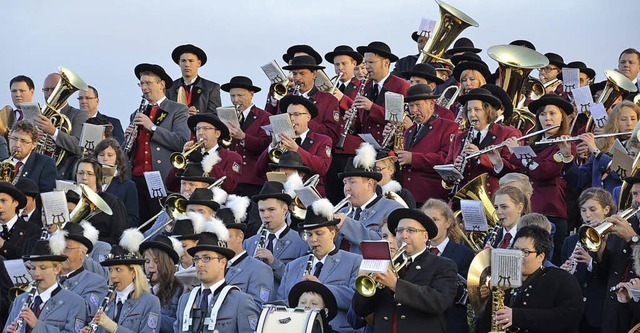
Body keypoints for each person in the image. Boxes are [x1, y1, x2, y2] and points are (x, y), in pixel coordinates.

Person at [352, 208, 458, 333]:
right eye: (399, 231)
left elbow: (439, 302)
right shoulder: (387, 264)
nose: (404, 235)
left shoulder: (443, 265)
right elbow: (360, 310)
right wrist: (366, 280)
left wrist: (395, 285)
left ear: (425, 236)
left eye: (411, 231)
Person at [504, 94, 576, 264]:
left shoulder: (566, 144)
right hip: (530, 210)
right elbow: (521, 173)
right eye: (543, 114)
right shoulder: (534, 142)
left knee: (547, 262)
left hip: (551, 212)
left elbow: (543, 171)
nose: (547, 119)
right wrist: (498, 161)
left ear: (562, 117)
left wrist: (517, 153)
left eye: (553, 114)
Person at [277, 199, 363, 333]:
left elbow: (356, 301)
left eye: (319, 233)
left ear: (332, 234)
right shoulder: (293, 266)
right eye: (309, 234)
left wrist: (322, 288)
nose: (313, 240)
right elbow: (282, 302)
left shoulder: (355, 261)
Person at [127, 63, 190, 223]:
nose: (144, 87)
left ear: (161, 84)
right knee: (138, 223)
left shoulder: (178, 109)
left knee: (159, 222)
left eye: (148, 83)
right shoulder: (137, 113)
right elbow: (128, 151)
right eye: (141, 83)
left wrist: (152, 127)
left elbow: (182, 142)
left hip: (160, 177)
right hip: (136, 177)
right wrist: (129, 139)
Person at [490, 225, 584, 333]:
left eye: (525, 252)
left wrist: (517, 316)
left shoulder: (562, 280)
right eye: (515, 250)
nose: (517, 256)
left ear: (541, 256)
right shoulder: (504, 280)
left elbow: (568, 317)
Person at [174, 228, 261, 333]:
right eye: (197, 258)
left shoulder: (240, 301)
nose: (200, 264)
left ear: (222, 262)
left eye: (207, 258)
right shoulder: (185, 300)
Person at [445, 88, 521, 197]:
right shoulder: (459, 137)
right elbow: (448, 170)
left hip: (492, 198)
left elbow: (514, 170)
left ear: (488, 111)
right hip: (462, 197)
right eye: (469, 110)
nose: (472, 115)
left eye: (477, 110)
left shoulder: (507, 133)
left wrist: (480, 157)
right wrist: (454, 169)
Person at [389, 84, 458, 205]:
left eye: (418, 105)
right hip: (407, 196)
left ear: (431, 104)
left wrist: (413, 158)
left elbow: (447, 159)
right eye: (411, 106)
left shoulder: (448, 126)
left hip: (430, 197)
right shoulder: (409, 130)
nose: (414, 110)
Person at [82, 229, 162, 333]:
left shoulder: (150, 302)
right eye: (110, 270)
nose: (113, 276)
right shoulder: (105, 301)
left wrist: (114, 328)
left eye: (118, 270)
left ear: (133, 272)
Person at [3, 237, 87, 333]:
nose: (36, 274)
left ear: (57, 269)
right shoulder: (20, 300)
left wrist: (38, 326)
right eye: (33, 268)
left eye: (43, 268)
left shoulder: (75, 302)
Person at [335, 142, 404, 254]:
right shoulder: (342, 212)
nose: (346, 188)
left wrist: (347, 225)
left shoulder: (393, 209)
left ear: (370, 184)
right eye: (344, 182)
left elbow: (386, 244)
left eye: (352, 182)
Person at [257, 95, 333, 195]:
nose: (292, 118)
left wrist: (296, 149)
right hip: (281, 195)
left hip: (309, 195)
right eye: (289, 115)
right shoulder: (281, 140)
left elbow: (322, 168)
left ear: (308, 117)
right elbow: (259, 171)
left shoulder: (322, 140)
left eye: (296, 114)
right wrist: (272, 146)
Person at [559, 188, 611, 333]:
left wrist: (590, 263)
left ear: (606, 209)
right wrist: (563, 273)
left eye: (592, 209)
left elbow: (612, 276)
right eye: (583, 210)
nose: (587, 215)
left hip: (598, 312)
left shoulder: (614, 240)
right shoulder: (571, 241)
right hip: (574, 313)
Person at [561, 100, 640, 193]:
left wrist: (596, 151)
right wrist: (567, 157)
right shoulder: (602, 145)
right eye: (623, 119)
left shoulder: (636, 148)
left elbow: (626, 173)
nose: (629, 123)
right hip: (599, 203)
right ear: (615, 122)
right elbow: (580, 179)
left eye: (633, 119)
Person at [244, 181, 308, 293]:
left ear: (285, 210)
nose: (265, 215)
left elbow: (298, 280)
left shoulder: (301, 243)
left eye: (271, 210)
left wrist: (274, 262)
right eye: (261, 211)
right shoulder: (248, 243)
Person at [422, 198, 474, 333]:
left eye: (435, 219)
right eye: (426, 219)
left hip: (450, 323)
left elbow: (466, 296)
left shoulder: (464, 254)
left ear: (448, 223)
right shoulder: (416, 250)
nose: (429, 224)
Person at [343, 42, 409, 143]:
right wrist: (353, 123)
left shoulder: (400, 85)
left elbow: (397, 121)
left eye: (371, 62)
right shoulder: (364, 85)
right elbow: (362, 123)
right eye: (365, 63)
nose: (367, 67)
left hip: (387, 148)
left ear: (386, 63)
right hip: (365, 147)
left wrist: (371, 107)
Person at [326, 45, 365, 204]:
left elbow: (361, 115)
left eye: (344, 64)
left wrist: (341, 98)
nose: (339, 68)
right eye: (336, 65)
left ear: (354, 64)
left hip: (351, 147)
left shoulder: (362, 85)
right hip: (332, 147)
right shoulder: (330, 86)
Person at [165, 113, 242, 194]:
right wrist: (183, 160)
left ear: (217, 134)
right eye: (198, 129)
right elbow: (171, 185)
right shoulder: (191, 155)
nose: (200, 132)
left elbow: (230, 186)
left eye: (206, 128)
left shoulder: (232, 157)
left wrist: (204, 160)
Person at [220, 76, 271, 197]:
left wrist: (243, 137)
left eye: (240, 95)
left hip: (253, 179)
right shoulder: (225, 116)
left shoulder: (265, 117)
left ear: (251, 94)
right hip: (230, 178)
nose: (235, 100)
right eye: (232, 96)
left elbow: (265, 146)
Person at [36, 72, 90, 179]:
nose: (49, 94)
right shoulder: (38, 115)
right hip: (37, 171)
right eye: (46, 90)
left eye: (54, 89)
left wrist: (53, 132)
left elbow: (79, 147)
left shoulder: (78, 115)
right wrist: (33, 137)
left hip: (62, 173)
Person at [218, 205, 274, 306]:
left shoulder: (259, 269)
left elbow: (257, 307)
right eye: (217, 236)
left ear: (240, 236)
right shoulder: (214, 266)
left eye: (226, 236)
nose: (221, 241)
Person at [55, 221, 108, 316]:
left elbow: (88, 312)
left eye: (67, 248)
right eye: (59, 247)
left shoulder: (96, 282)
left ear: (82, 254)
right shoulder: (48, 277)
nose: (61, 252)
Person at [74, 157, 127, 245]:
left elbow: (118, 236)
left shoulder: (112, 202)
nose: (84, 178)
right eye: (80, 173)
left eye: (90, 174)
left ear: (97, 178)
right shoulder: (68, 198)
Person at [139, 234, 184, 333]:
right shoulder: (138, 288)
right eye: (147, 261)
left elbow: (178, 325)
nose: (150, 266)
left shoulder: (178, 289)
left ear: (166, 263)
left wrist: (149, 315)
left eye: (156, 261)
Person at [93, 138, 139, 228]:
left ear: (117, 159)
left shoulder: (128, 186)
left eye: (110, 155)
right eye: (101, 155)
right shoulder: (89, 180)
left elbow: (133, 220)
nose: (105, 159)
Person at [167, 44, 221, 115]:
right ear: (179, 63)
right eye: (183, 61)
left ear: (199, 63)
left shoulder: (211, 88)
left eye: (191, 61)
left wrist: (197, 115)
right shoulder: (170, 88)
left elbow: (215, 114)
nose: (187, 64)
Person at [9, 120, 57, 193]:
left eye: (23, 141)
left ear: (34, 144)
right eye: (14, 139)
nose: (17, 145)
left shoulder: (46, 164)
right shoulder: (2, 162)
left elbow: (46, 196)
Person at [0, 181, 40, 259]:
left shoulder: (32, 230)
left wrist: (4, 246)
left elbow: (30, 257)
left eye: (3, 201)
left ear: (15, 203)